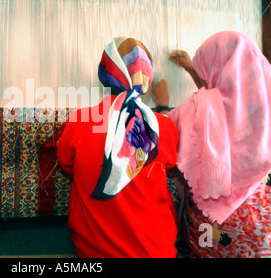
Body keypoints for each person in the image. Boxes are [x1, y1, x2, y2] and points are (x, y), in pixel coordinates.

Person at [152, 31, 271, 258]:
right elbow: (229, 99)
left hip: (219, 240)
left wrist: (161, 104)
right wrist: (194, 69)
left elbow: (165, 132)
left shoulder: (198, 108)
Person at [57, 37, 179, 258]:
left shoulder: (80, 120)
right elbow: (168, 167)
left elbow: (67, 166)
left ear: (105, 73)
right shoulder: (164, 127)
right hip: (157, 251)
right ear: (147, 76)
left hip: (95, 253)